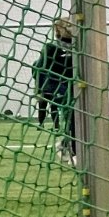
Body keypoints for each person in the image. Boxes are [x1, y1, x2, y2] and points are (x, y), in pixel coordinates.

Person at [33, 17, 77, 162]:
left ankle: (66, 145)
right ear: (59, 29)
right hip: (60, 88)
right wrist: (41, 89)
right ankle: (73, 151)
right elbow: (38, 68)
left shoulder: (78, 46)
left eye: (72, 25)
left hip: (75, 87)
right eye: (68, 26)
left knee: (76, 120)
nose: (71, 28)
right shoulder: (51, 47)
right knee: (72, 118)